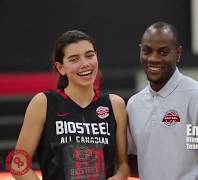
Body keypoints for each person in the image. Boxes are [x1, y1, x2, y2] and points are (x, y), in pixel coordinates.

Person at [11, 30, 129, 180]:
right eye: (74, 59)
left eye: (89, 55)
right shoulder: (43, 103)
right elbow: (18, 163)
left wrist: (119, 177)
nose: (85, 64)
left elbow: (123, 164)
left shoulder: (115, 104)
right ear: (61, 68)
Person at [127, 22, 198, 180]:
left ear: (178, 53)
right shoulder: (133, 104)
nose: (153, 58)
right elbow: (135, 164)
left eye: (163, 52)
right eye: (147, 51)